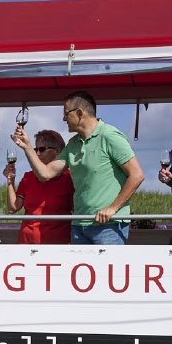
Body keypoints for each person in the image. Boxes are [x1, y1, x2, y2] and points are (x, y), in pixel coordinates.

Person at [12, 90, 144, 245]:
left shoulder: (110, 135)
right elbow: (45, 174)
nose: (63, 119)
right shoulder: (73, 143)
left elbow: (137, 175)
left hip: (109, 226)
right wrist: (27, 147)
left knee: (104, 270)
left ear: (80, 113)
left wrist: (112, 209)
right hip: (79, 225)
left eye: (66, 114)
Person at [3, 131, 74, 243]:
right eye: (35, 150)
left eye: (42, 149)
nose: (37, 154)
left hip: (58, 248)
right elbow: (13, 208)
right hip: (26, 245)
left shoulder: (69, 179)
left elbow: (76, 212)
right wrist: (10, 181)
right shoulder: (28, 177)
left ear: (57, 151)